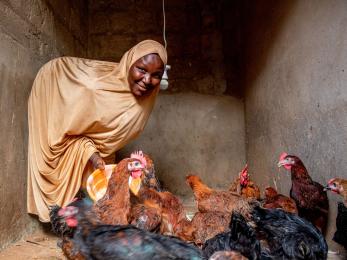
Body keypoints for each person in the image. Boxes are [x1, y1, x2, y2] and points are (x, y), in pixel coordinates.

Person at [27, 40, 167, 222]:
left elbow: (104, 138)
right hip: (54, 96)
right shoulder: (94, 88)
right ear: (128, 63)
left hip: (86, 140)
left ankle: (86, 214)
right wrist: (90, 153)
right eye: (141, 69)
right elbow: (70, 131)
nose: (147, 80)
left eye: (156, 75)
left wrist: (95, 154)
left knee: (102, 196)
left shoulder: (145, 101)